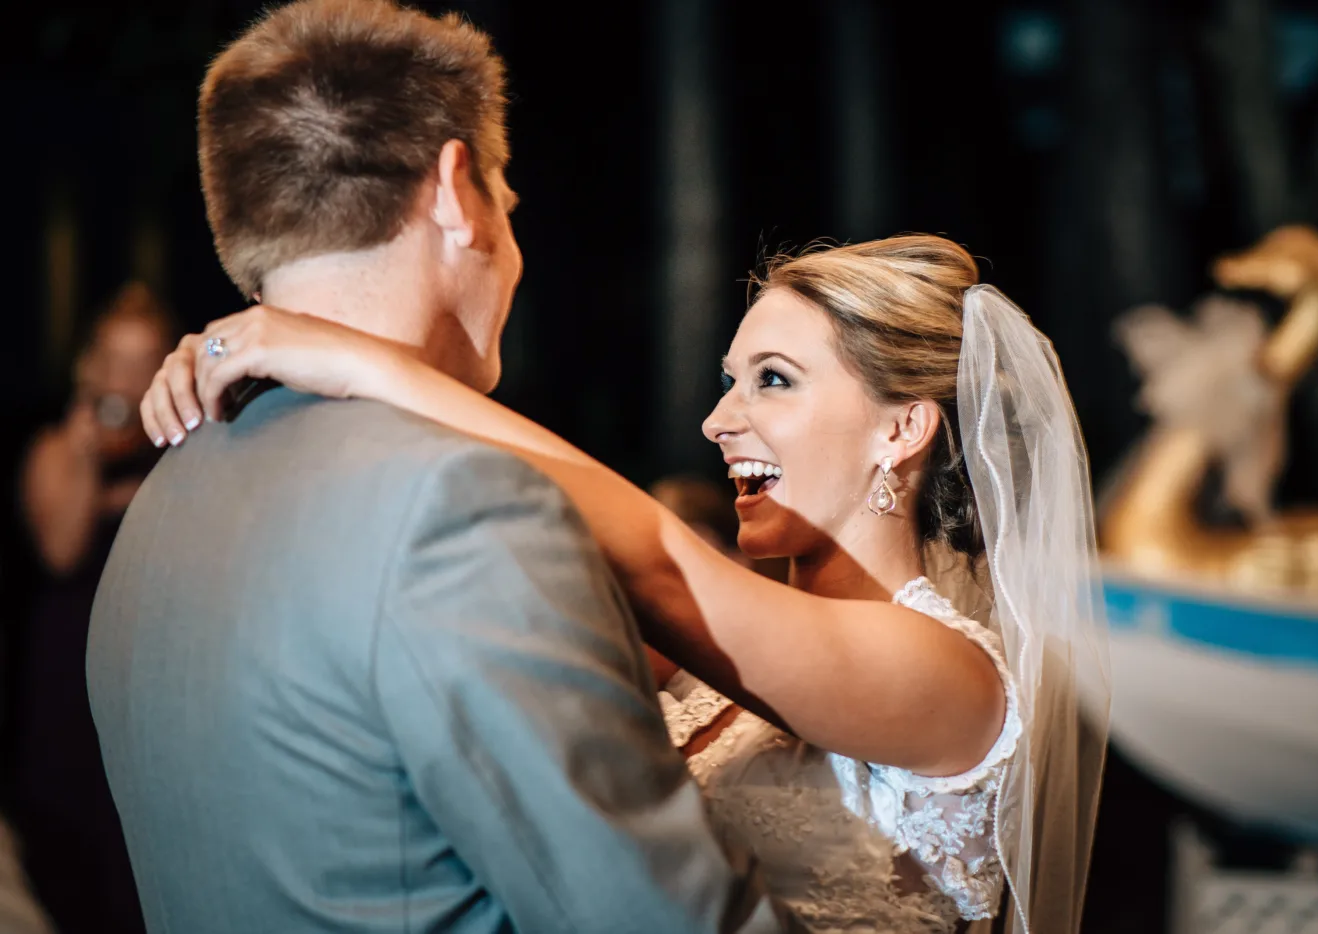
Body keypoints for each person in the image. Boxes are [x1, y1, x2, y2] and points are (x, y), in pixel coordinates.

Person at [145, 234, 1113, 932]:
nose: (716, 420)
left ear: (901, 428)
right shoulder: (722, 644)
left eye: (771, 379)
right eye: (728, 380)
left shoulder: (948, 674)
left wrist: (352, 359)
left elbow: (646, 553)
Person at [86, 3, 798, 933]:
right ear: (458, 194)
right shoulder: (458, 507)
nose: (512, 243)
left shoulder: (161, 502)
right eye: (509, 200)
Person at [11, 282, 172, 933]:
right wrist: (83, 458)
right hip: (66, 675)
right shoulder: (55, 448)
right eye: (115, 359)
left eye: (143, 362)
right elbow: (61, 551)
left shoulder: (183, 453)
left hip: (148, 673)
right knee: (70, 859)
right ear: (91, 365)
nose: (127, 379)